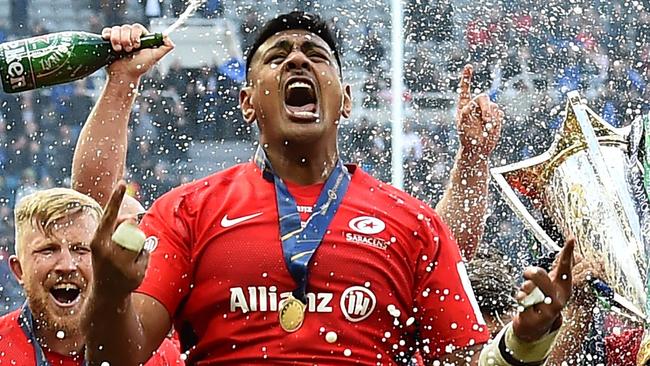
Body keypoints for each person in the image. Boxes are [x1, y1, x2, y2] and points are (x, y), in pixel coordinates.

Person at [82, 13, 574, 365]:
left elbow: (466, 360)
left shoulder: (414, 224)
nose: (297, 59)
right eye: (277, 57)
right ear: (248, 102)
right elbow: (113, 356)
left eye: (316, 55)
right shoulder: (187, 211)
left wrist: (525, 343)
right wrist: (108, 290)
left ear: (345, 101)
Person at [0, 188, 183, 365]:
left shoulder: (155, 356)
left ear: (101, 262)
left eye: (81, 250)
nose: (67, 266)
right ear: (19, 270)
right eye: (48, 250)